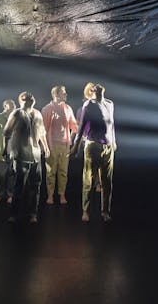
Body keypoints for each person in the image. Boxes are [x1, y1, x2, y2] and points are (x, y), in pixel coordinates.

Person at [71, 83, 116, 223]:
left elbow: (111, 124)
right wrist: (76, 146)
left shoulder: (109, 103)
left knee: (107, 182)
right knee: (89, 180)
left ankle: (105, 211)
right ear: (92, 91)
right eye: (94, 87)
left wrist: (114, 141)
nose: (97, 86)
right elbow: (81, 127)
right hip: (93, 146)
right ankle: (86, 210)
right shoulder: (89, 105)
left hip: (108, 147)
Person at [3, 91, 50, 224]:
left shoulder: (38, 113)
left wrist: (45, 147)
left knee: (36, 185)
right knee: (19, 185)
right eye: (27, 98)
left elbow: (41, 132)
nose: (30, 99)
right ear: (21, 100)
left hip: (35, 154)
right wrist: (5, 148)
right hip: (21, 153)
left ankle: (33, 213)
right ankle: (14, 213)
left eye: (31, 97)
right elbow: (7, 132)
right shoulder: (17, 113)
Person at [41, 85, 78, 205]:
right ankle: (50, 195)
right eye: (63, 93)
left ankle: (62, 194)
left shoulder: (67, 108)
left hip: (64, 145)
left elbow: (74, 126)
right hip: (52, 145)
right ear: (56, 95)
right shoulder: (47, 109)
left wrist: (71, 140)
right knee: (51, 171)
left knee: (63, 171)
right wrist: (45, 146)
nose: (66, 94)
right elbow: (42, 130)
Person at [77, 82, 102, 193]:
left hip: (100, 139)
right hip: (88, 139)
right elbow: (80, 125)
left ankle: (98, 184)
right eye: (91, 90)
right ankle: (89, 186)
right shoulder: (83, 108)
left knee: (100, 165)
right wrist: (80, 138)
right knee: (90, 166)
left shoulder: (102, 106)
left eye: (94, 90)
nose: (93, 92)